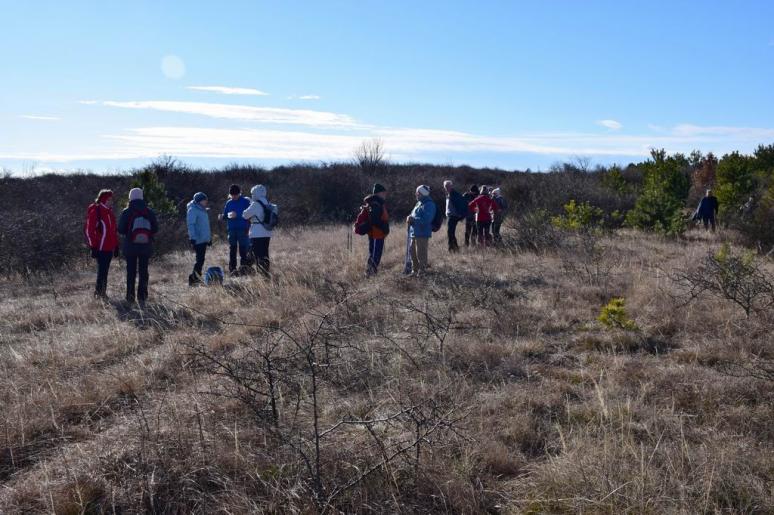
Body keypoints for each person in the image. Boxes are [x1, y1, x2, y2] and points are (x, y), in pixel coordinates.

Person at [118, 187, 158, 305]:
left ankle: (130, 297)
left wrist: (129, 233)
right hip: (145, 247)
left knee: (131, 272)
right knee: (143, 271)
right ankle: (143, 297)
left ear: (130, 197)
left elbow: (120, 229)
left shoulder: (126, 211)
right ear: (142, 197)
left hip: (130, 246)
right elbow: (155, 228)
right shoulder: (149, 211)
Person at [84, 189, 119, 298]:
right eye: (109, 199)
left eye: (111, 199)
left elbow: (113, 231)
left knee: (104, 271)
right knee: (102, 271)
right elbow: (89, 231)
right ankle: (99, 293)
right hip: (100, 248)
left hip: (109, 248)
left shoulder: (110, 212)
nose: (111, 201)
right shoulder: (96, 211)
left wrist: (116, 245)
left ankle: (101, 293)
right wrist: (93, 247)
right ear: (103, 199)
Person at [242, 184, 277, 277]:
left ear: (256, 193)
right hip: (267, 232)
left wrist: (250, 204)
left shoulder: (255, 204)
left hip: (256, 233)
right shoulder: (268, 203)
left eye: (252, 193)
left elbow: (245, 215)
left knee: (256, 255)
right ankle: (266, 273)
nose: (252, 195)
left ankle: (260, 274)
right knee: (265, 253)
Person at [220, 184, 252, 275]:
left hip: (243, 229)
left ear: (239, 193)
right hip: (232, 230)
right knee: (232, 250)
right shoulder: (229, 203)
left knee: (243, 250)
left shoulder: (245, 201)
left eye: (235, 195)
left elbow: (249, 215)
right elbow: (226, 215)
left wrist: (237, 215)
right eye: (232, 195)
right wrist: (223, 216)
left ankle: (244, 270)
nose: (234, 196)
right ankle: (232, 270)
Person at [406, 185, 436, 276]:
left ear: (423, 194)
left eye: (418, 193)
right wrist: (409, 217)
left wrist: (413, 219)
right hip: (414, 232)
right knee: (412, 253)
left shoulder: (429, 205)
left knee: (421, 254)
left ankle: (422, 272)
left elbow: (427, 220)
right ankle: (414, 271)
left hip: (422, 233)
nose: (416, 194)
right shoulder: (418, 203)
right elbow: (413, 215)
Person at [363, 183, 390, 276]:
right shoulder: (376, 203)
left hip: (375, 233)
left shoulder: (376, 202)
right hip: (377, 233)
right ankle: (371, 274)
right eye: (384, 193)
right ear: (379, 193)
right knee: (376, 255)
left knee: (373, 254)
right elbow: (375, 220)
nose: (385, 195)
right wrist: (384, 227)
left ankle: (370, 272)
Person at [186, 192, 212, 285]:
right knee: (199, 260)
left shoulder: (203, 210)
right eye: (204, 200)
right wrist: (192, 238)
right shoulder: (192, 210)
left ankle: (196, 277)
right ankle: (193, 278)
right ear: (199, 201)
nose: (206, 201)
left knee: (201, 259)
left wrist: (209, 239)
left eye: (206, 200)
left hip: (203, 239)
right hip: (197, 239)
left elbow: (205, 226)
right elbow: (191, 225)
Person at [443, 180, 467, 252]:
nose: (447, 187)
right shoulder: (448, 194)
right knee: (450, 232)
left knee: (450, 232)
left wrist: (461, 215)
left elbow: (463, 204)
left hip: (453, 216)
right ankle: (454, 248)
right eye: (445, 186)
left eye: (448, 186)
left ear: (451, 186)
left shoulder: (454, 194)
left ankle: (452, 248)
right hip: (450, 216)